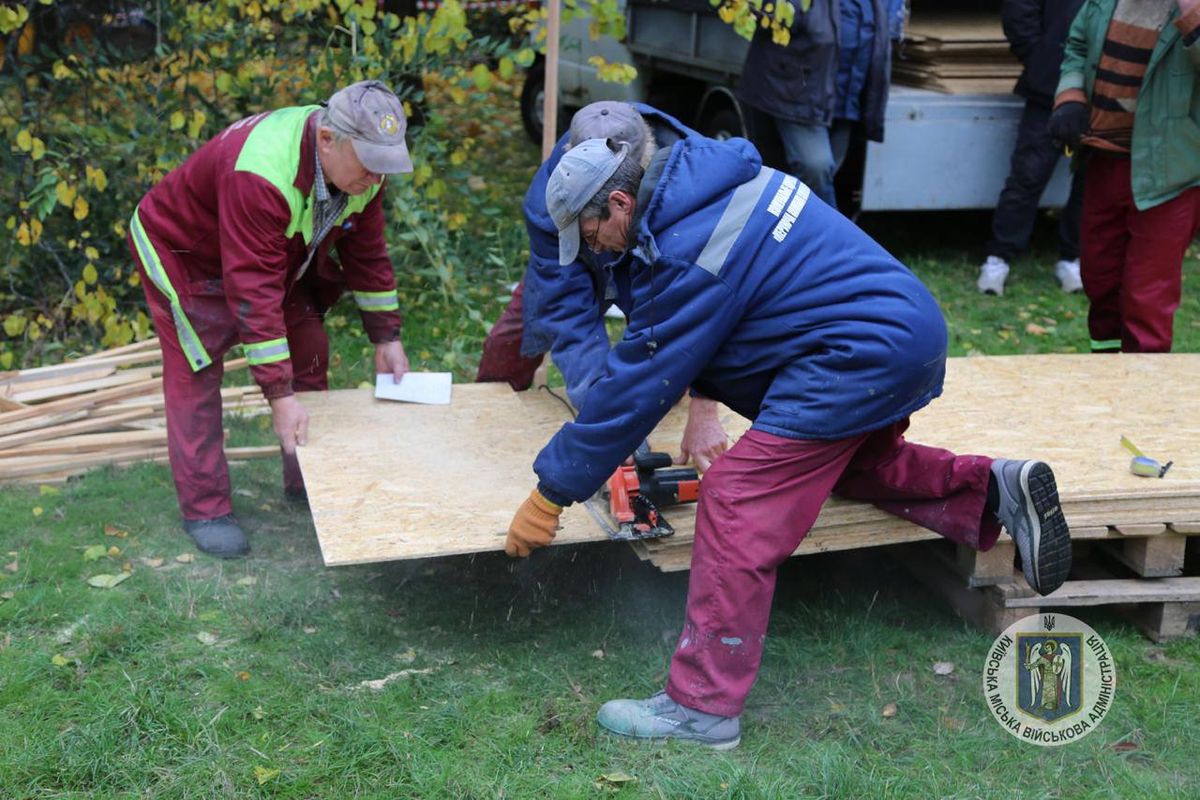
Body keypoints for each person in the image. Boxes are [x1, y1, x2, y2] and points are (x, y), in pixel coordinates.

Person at [504, 135, 1073, 748]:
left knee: (736, 496)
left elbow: (639, 379)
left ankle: (701, 707)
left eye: (591, 234)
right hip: (898, 330)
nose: (594, 249)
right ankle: (992, 488)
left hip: (856, 351)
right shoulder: (702, 189)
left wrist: (551, 492)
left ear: (620, 202)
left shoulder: (692, 244)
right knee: (848, 466)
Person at [127, 80, 413, 558]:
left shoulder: (364, 175)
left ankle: (308, 479)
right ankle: (206, 509)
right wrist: (279, 394)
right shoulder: (260, 173)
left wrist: (387, 337)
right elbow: (253, 293)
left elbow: (367, 253)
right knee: (196, 371)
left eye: (384, 163)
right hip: (182, 251)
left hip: (266, 253)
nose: (376, 176)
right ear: (327, 140)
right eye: (368, 162)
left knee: (310, 345)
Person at [475, 101, 730, 472]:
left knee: (664, 363)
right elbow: (564, 306)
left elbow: (713, 302)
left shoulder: (697, 181)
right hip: (574, 259)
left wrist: (705, 405)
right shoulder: (549, 200)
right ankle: (481, 427)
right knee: (510, 344)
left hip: (658, 261)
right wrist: (604, 421)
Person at [1048, 0, 1200, 352]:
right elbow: (1077, 45)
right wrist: (1070, 96)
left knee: (1146, 296)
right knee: (1100, 280)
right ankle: (1107, 372)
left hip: (1169, 173)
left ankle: (1144, 381)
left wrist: (1191, 12)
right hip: (1104, 160)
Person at [737, 0, 901, 209]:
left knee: (818, 177)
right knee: (816, 168)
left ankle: (784, 224)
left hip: (845, 100)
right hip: (797, 95)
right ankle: (832, 230)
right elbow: (773, 13)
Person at [976, 0, 1087, 296]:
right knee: (1027, 175)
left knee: (1089, 182)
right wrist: (1042, 60)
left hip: (1101, 92)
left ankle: (1072, 258)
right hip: (1048, 89)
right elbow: (1019, 13)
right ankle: (999, 258)